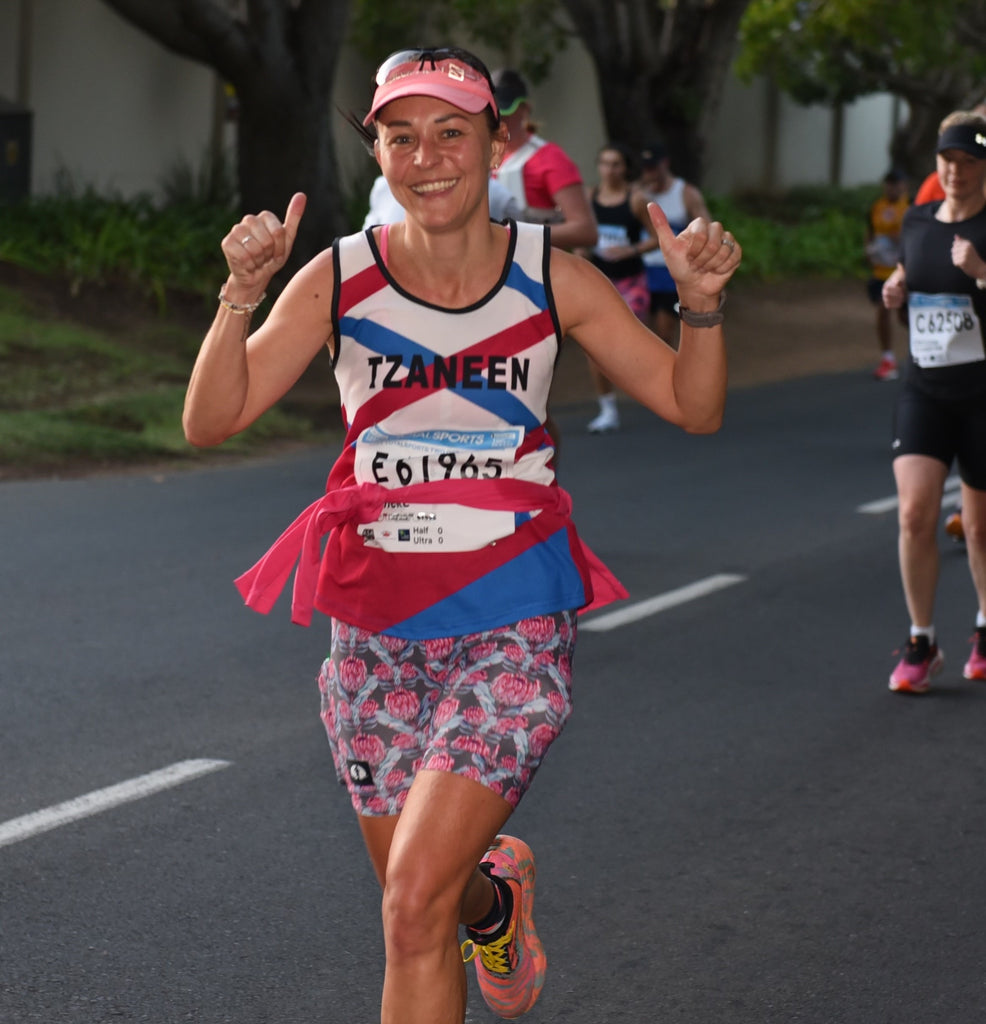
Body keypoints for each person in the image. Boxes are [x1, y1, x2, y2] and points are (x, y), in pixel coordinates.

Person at [182, 46, 740, 1024]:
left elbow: (690, 406)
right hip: (371, 631)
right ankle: (499, 899)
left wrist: (698, 306)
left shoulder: (550, 279)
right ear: (377, 152)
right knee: (427, 900)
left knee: (407, 906)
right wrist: (241, 294)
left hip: (510, 620)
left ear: (498, 144)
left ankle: (474, 898)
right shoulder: (340, 278)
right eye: (401, 136)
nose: (426, 156)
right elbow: (210, 418)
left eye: (451, 131)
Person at [881, 109, 986, 693]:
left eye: (970, 163)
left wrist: (982, 273)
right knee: (916, 513)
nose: (957, 172)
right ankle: (921, 639)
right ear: (936, 164)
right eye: (949, 161)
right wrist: (898, 291)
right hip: (926, 389)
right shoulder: (919, 221)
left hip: (982, 395)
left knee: (979, 528)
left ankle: (984, 624)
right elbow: (912, 286)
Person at [579, 143, 660, 433]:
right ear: (598, 167)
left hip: (631, 281)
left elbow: (658, 237)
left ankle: (654, 388)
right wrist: (581, 250)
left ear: (624, 168)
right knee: (593, 348)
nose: (609, 170)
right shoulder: (589, 197)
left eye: (615, 164)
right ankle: (607, 409)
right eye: (604, 163)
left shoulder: (636, 200)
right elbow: (580, 232)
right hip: (600, 282)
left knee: (630, 342)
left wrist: (630, 250)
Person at [489, 68, 598, 251]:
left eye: (505, 109)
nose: (499, 117)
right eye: (491, 109)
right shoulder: (478, 157)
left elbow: (586, 231)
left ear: (525, 109)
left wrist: (514, 236)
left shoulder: (550, 158)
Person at [634, 140, 711, 345]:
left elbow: (706, 229)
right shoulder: (636, 194)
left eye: (653, 167)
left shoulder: (686, 193)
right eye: (645, 167)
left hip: (670, 273)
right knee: (637, 332)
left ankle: (669, 372)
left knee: (663, 331)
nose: (649, 172)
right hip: (640, 270)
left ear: (665, 163)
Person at [865, 168, 910, 382]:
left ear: (904, 185)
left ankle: (922, 354)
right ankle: (888, 358)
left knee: (904, 316)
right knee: (883, 311)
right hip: (881, 272)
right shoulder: (877, 206)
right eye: (889, 183)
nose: (892, 187)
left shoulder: (910, 208)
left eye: (896, 183)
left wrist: (900, 238)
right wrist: (869, 250)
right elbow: (869, 231)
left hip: (903, 272)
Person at [363, 171, 524, 228]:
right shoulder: (382, 187)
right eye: (403, 139)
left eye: (451, 134)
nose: (425, 159)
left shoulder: (499, 196)